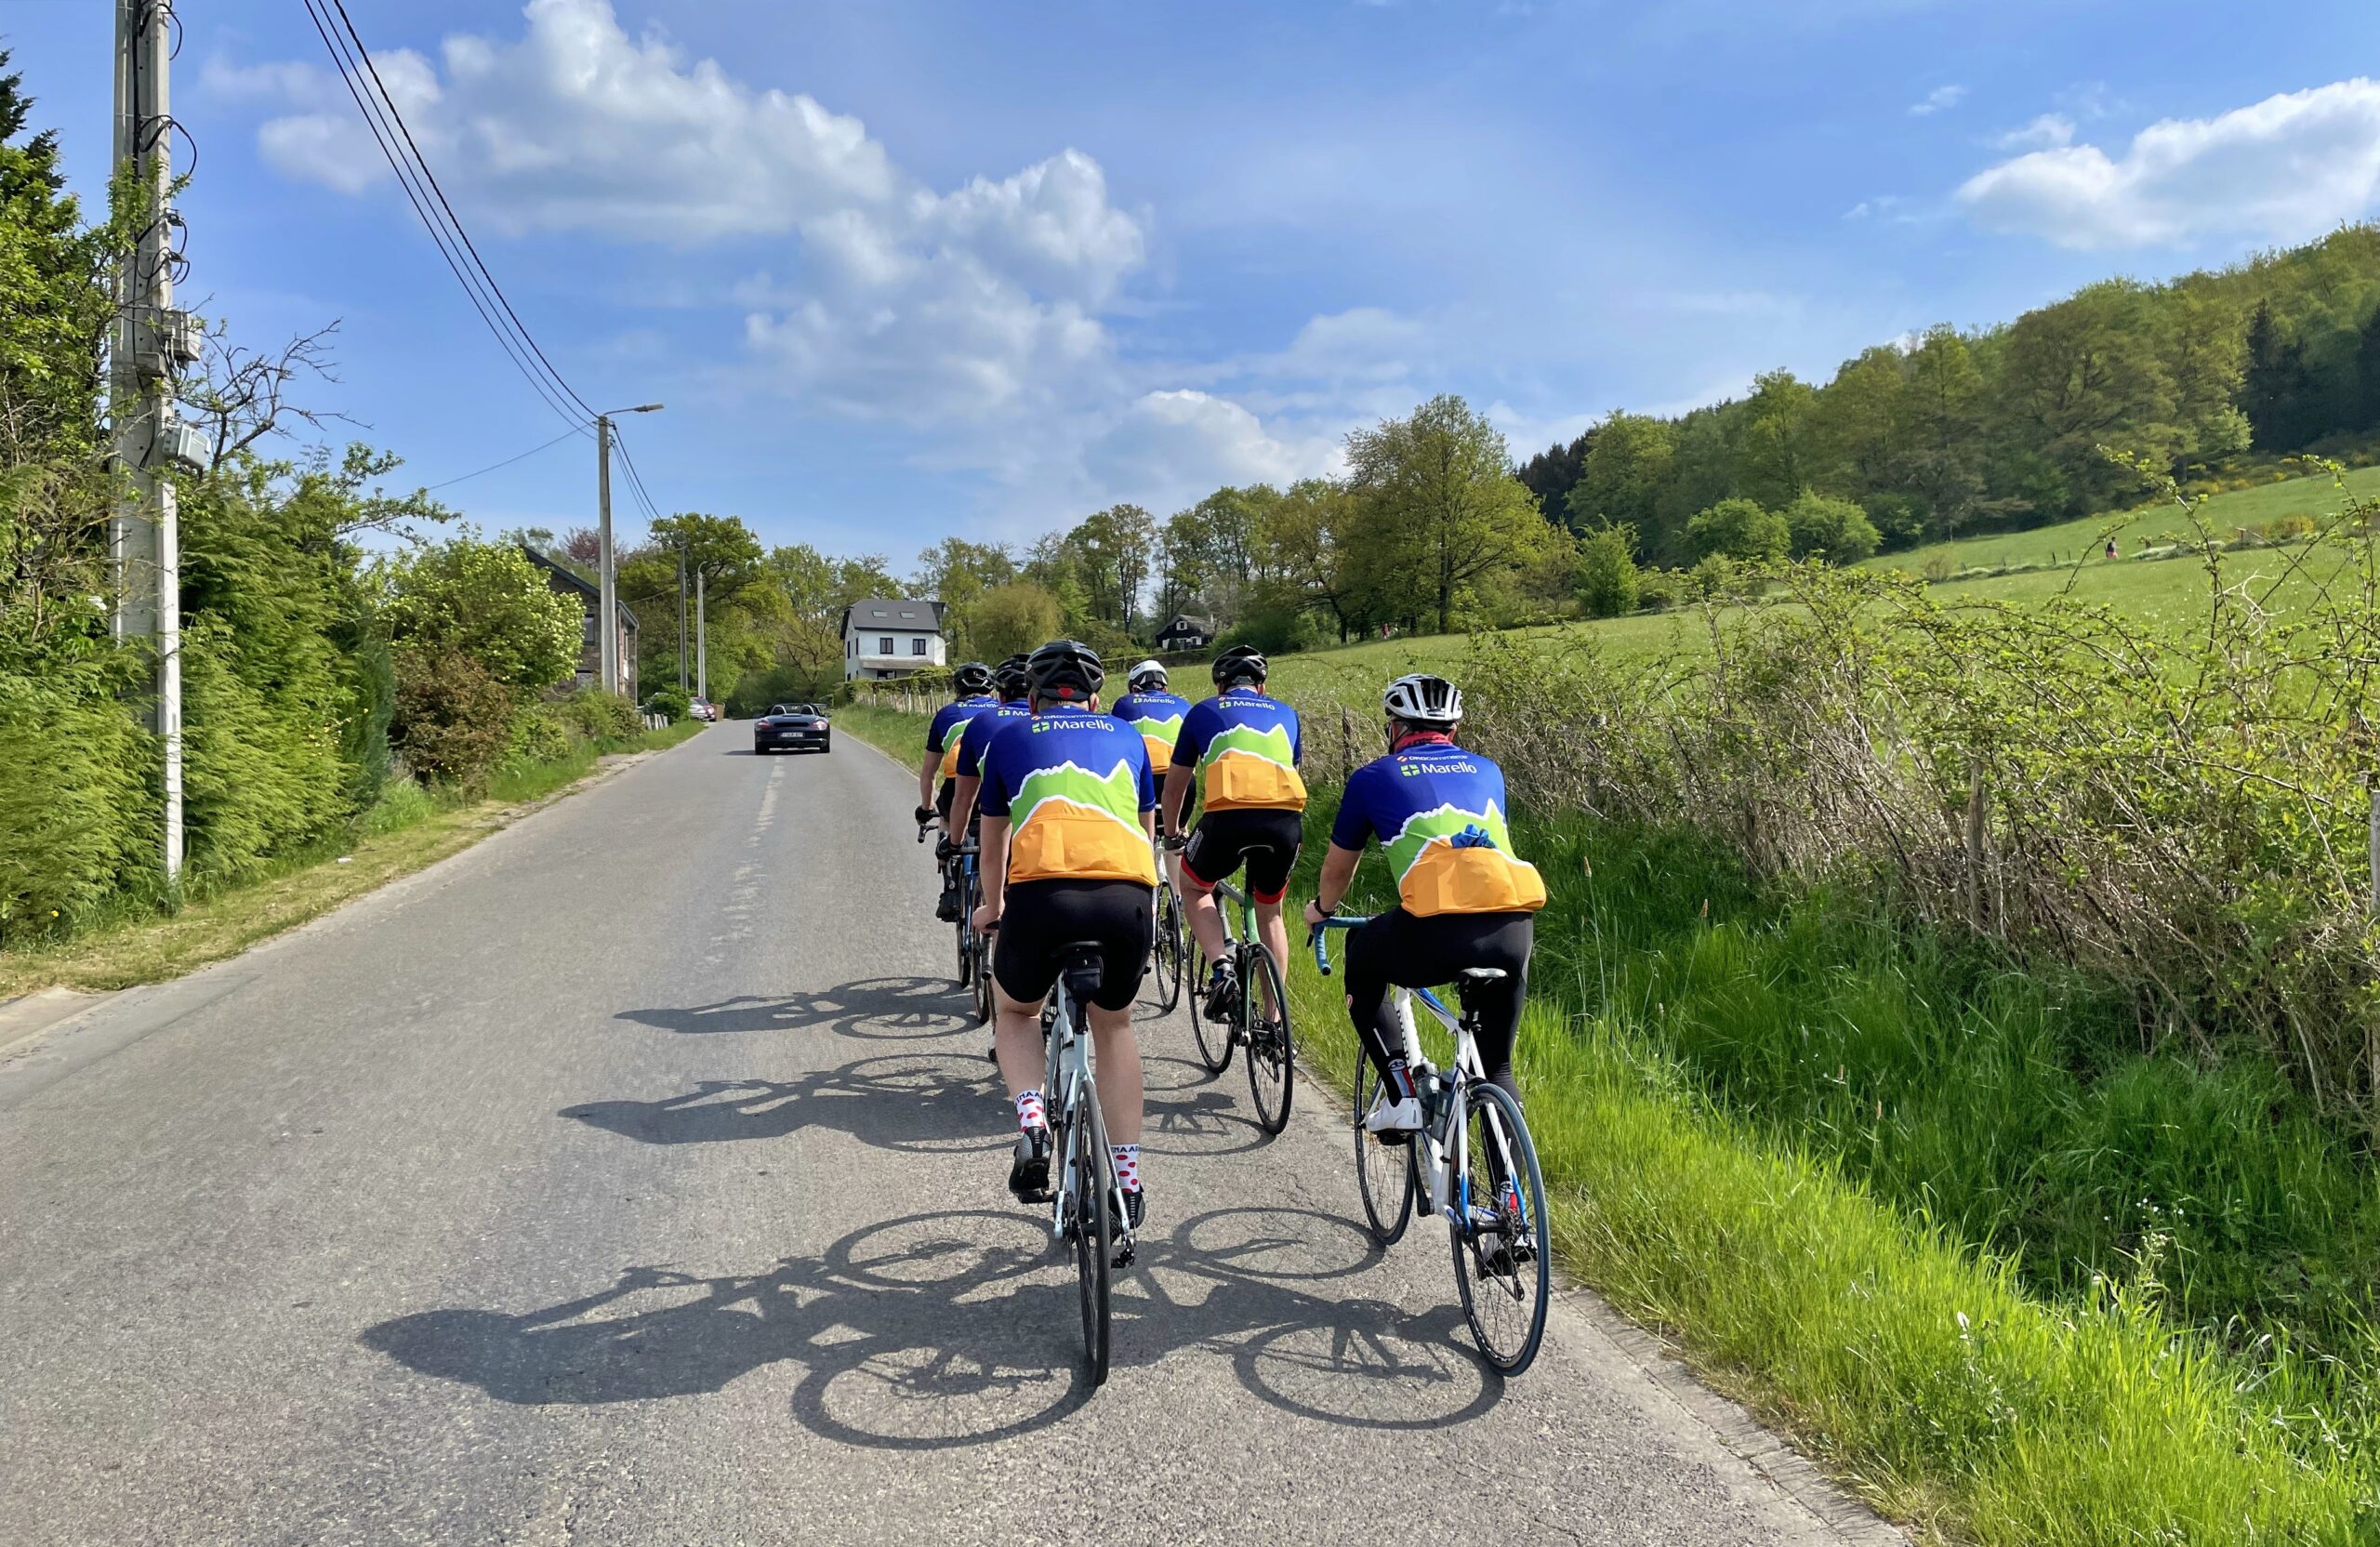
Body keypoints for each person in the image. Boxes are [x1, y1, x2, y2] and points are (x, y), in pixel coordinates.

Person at [1303, 673, 1545, 1137]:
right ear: (1453, 730)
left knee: (1362, 952)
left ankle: (1401, 1095)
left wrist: (1322, 910)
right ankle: (1513, 1200)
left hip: (1434, 930)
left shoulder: (1372, 777)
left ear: (1395, 729)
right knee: (1496, 1069)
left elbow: (1337, 870)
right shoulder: (1488, 769)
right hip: (1513, 927)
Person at [972, 640, 1157, 1231]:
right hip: (1126, 896)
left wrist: (990, 907)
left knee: (1018, 1012)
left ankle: (1032, 1120)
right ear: (1097, 698)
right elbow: (1145, 828)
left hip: (1041, 897)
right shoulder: (1127, 736)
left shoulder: (1008, 739)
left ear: (1032, 699)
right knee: (1115, 1024)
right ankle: (1127, 1183)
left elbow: (993, 840)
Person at [1161, 644, 1305, 1022]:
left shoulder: (1203, 711)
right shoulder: (1287, 713)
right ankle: (1274, 1024)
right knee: (1270, 913)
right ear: (1261, 686)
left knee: (1194, 887)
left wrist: (1174, 832)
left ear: (1220, 686)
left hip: (1227, 818)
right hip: (1285, 821)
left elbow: (1175, 786)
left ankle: (1222, 968)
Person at [917, 661, 999, 921]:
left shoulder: (945, 714)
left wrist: (926, 808)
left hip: (957, 786)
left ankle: (950, 884)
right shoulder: (1001, 709)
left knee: (946, 816)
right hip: (995, 784)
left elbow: (929, 772)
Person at [1111, 659, 1193, 888]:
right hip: (1182, 783)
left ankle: (1146, 895)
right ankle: (1178, 901)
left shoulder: (1124, 704)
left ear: (1134, 689)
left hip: (1140, 782)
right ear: (1164, 688)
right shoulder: (1183, 704)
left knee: (1139, 837)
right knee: (1176, 834)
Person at [945, 654, 1033, 840]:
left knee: (949, 808)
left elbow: (931, 774)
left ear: (1000, 697)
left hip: (973, 787)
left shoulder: (980, 720)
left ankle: (950, 854)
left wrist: (953, 845)